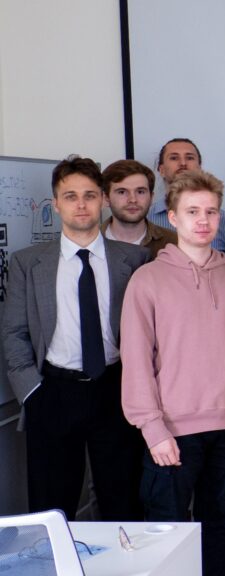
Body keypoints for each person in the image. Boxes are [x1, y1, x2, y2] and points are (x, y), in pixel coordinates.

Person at [121, 170, 225, 575]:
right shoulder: (147, 279)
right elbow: (136, 360)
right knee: (168, 529)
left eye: (211, 212)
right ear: (173, 217)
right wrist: (152, 427)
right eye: (192, 211)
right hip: (172, 430)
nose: (203, 220)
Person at [2, 156, 148, 521]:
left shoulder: (134, 259)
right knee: (52, 505)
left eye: (89, 195)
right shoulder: (27, 263)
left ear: (103, 200)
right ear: (56, 203)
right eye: (70, 196)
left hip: (116, 389)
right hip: (53, 390)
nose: (81, 205)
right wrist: (31, 393)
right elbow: (14, 332)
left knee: (123, 501)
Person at [147, 137, 225, 252]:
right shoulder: (147, 218)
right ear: (161, 170)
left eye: (189, 158)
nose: (183, 163)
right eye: (174, 158)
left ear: (199, 167)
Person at [100, 159, 177, 259]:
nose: (133, 200)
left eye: (140, 192)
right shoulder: (89, 243)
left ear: (151, 197)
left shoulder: (174, 243)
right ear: (106, 198)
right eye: (122, 192)